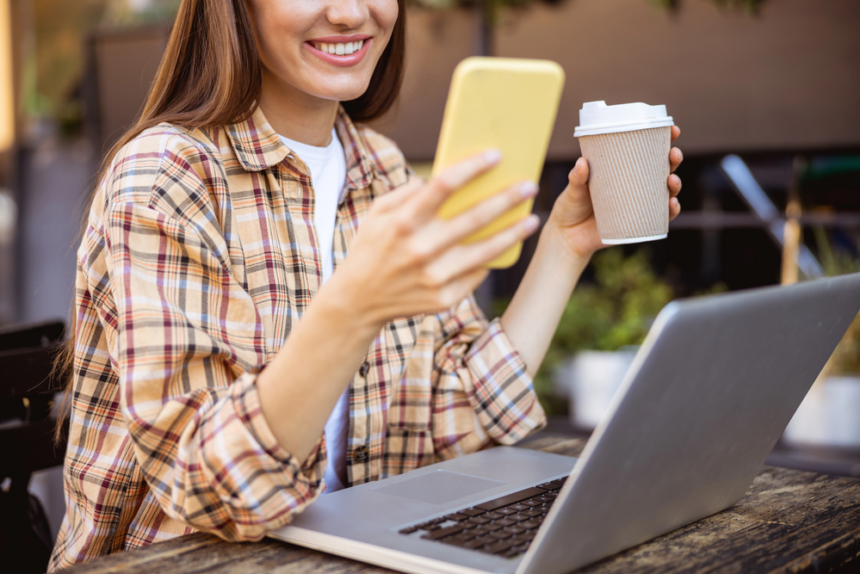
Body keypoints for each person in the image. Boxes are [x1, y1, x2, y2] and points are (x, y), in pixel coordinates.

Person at [49, 0, 684, 569]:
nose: (353, 13)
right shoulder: (168, 175)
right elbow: (213, 491)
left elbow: (456, 421)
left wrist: (566, 246)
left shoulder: (382, 168)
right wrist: (352, 308)